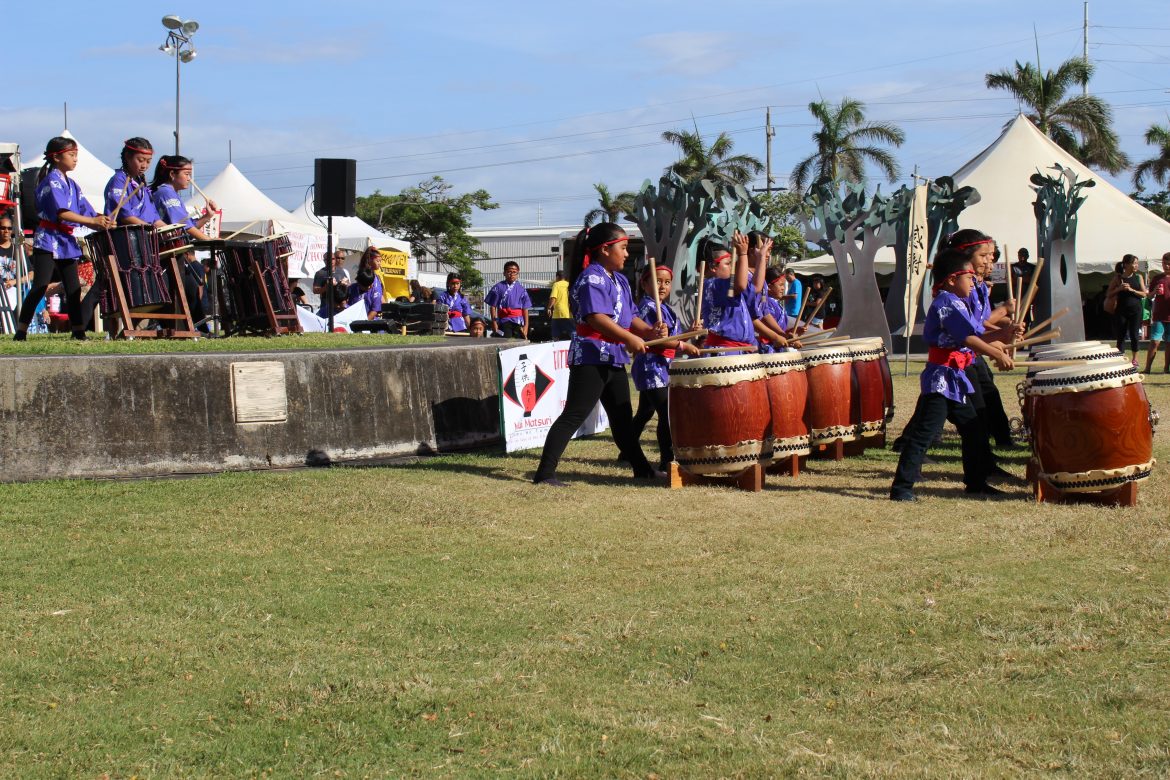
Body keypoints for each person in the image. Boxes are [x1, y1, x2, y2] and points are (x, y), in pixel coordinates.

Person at [532, 223, 667, 487]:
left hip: (613, 356)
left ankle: (642, 470)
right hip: (591, 355)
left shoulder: (619, 280)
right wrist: (630, 338)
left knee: (622, 419)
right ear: (605, 250)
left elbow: (632, 318)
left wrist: (650, 331)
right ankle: (545, 473)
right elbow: (596, 318)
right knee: (574, 414)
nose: (627, 254)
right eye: (624, 248)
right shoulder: (591, 278)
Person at [889, 247, 1014, 502]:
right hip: (940, 379)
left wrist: (1005, 335)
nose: (973, 281)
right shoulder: (946, 302)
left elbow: (976, 336)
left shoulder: (958, 302)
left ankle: (976, 483)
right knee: (924, 434)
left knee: (974, 429)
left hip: (956, 378)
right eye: (968, 277)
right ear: (952, 279)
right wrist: (997, 352)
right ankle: (901, 489)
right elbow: (967, 337)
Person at [13, 137, 115, 341]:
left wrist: (100, 219)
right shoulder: (51, 181)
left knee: (73, 288)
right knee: (40, 286)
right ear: (57, 157)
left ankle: (78, 331)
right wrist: (91, 221)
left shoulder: (73, 185)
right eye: (72, 155)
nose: (76, 159)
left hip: (66, 240)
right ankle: (21, 330)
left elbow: (85, 209)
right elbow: (62, 213)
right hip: (48, 239)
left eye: (76, 155)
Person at [630, 263, 700, 470]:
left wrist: (689, 332)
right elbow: (659, 340)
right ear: (644, 283)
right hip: (651, 366)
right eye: (657, 281)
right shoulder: (648, 307)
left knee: (644, 412)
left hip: (664, 365)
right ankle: (666, 461)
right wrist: (682, 344)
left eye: (667, 282)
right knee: (667, 412)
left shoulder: (666, 309)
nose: (663, 286)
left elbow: (672, 338)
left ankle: (626, 450)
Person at [150, 155, 219, 328]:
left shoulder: (171, 193)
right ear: (172, 174)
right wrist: (210, 241)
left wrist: (207, 217)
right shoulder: (166, 192)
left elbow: (186, 225)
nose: (189, 178)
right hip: (166, 254)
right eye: (186, 173)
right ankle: (194, 329)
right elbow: (185, 228)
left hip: (174, 253)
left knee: (191, 290)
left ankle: (199, 330)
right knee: (185, 291)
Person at [105, 138, 163, 226]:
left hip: (145, 234)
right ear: (128, 156)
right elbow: (124, 215)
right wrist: (150, 228)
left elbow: (155, 218)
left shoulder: (141, 183)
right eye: (140, 160)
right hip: (127, 235)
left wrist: (172, 230)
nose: (144, 166)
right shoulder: (119, 180)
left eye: (148, 161)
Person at [1106, 254, 1147, 365]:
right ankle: (1121, 359)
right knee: (1121, 335)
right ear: (1126, 264)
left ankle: (1135, 359)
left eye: (1137, 263)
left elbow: (1144, 294)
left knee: (1134, 334)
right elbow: (1108, 294)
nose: (1136, 265)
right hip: (1121, 310)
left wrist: (1132, 290)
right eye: (1134, 263)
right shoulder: (1118, 278)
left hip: (1136, 310)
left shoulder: (1139, 277)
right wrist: (1119, 289)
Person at [485, 260, 531, 338]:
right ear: (504, 273)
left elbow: (525, 309)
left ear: (517, 274)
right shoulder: (498, 287)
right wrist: (494, 322)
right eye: (509, 271)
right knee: (506, 342)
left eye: (514, 272)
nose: (512, 274)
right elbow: (493, 306)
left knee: (518, 343)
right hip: (504, 320)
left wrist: (526, 326)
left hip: (518, 321)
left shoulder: (522, 289)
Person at [1144, 252, 1170, 374]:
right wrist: (1154, 291)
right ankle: (1147, 368)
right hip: (1159, 315)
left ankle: (1166, 369)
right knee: (1155, 342)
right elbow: (1148, 296)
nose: (1166, 266)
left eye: (1169, 264)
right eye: (1164, 263)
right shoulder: (1157, 278)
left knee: (1169, 344)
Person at [313, 250, 351, 318]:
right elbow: (315, 290)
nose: (331, 261)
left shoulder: (340, 270)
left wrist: (345, 283)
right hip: (326, 306)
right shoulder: (320, 273)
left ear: (335, 259)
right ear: (324, 261)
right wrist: (326, 287)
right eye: (328, 259)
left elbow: (348, 284)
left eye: (333, 259)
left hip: (340, 307)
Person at [548, 270, 573, 340]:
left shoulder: (556, 284)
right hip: (568, 313)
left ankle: (556, 346)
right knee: (572, 332)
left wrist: (549, 308)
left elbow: (553, 297)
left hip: (557, 313)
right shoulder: (569, 284)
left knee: (555, 334)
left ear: (557, 277)